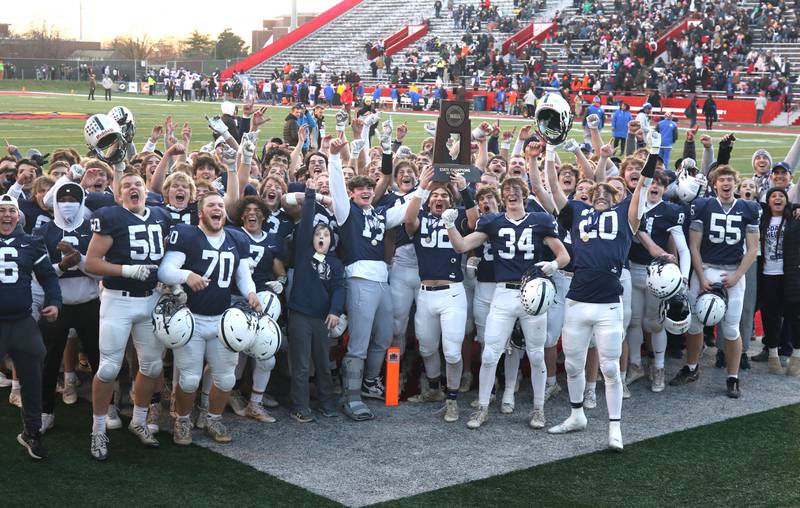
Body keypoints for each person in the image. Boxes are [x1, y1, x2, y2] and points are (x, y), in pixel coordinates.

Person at [544, 133, 649, 451]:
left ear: (615, 197)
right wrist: (550, 150)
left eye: (607, 191)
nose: (601, 194)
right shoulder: (578, 210)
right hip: (576, 300)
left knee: (610, 368)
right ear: (591, 196)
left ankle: (615, 427)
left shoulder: (624, 217)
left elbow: (638, 198)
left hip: (608, 304)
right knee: (573, 365)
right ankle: (577, 415)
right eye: (597, 191)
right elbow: (552, 189)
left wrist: (647, 166)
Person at [446, 177, 570, 430]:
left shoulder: (540, 220)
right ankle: (482, 407)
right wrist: (449, 225)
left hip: (532, 293)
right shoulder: (492, 222)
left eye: (516, 190)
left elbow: (564, 255)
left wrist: (553, 265)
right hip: (502, 294)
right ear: (503, 197)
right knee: (491, 353)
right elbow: (461, 246)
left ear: (524, 194)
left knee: (536, 355)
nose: (511, 194)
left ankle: (539, 409)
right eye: (507, 191)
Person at [158, 192, 261, 445]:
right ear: (200, 213)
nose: (218, 209)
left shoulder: (236, 238)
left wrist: (251, 292)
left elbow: (243, 274)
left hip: (222, 319)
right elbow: (165, 270)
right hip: (191, 318)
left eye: (221, 205)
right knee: (190, 378)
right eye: (211, 205)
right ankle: (182, 420)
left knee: (226, 377)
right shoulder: (187, 234)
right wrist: (186, 275)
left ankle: (213, 418)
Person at [85, 172, 172, 461]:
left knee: (151, 365)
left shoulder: (161, 216)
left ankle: (139, 419)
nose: (133, 188)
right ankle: (98, 429)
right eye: (127, 186)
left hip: (151, 299)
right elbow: (92, 262)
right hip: (118, 301)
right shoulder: (112, 217)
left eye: (138, 185)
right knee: (109, 368)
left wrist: (174, 281)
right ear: (118, 195)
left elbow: (171, 258)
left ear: (146, 191)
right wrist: (125, 270)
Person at [328, 137, 410, 421]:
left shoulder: (377, 213)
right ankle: (350, 397)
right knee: (359, 342)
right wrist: (335, 158)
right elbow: (336, 188)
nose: (365, 190)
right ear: (351, 193)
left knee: (385, 336)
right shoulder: (345, 211)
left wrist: (425, 185)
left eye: (368, 187)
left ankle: (369, 382)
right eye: (360, 188)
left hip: (381, 280)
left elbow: (404, 209)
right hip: (360, 278)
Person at [671, 165, 760, 398]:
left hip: (733, 273)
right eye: (722, 180)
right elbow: (694, 246)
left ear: (736, 183)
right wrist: (700, 277)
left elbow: (753, 249)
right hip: (707, 269)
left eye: (730, 179)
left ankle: (733, 377)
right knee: (695, 324)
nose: (726, 183)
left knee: (731, 328)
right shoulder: (703, 206)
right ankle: (691, 367)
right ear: (715, 184)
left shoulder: (748, 208)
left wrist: (737, 276)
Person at [403, 166, 478, 422]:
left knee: (453, 352)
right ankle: (434, 390)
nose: (439, 199)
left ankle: (453, 399)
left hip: (452, 293)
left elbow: (474, 221)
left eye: (444, 195)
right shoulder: (421, 219)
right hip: (425, 294)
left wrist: (465, 190)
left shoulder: (456, 218)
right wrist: (422, 188)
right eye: (435, 195)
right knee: (426, 348)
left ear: (451, 200)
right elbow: (408, 220)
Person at [35, 182, 100, 435]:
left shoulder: (92, 229)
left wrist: (79, 260)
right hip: (57, 304)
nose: (69, 203)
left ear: (82, 201)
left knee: (97, 357)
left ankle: (107, 407)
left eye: (74, 198)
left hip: (89, 303)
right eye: (63, 199)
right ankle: (45, 411)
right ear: (55, 203)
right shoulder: (45, 232)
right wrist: (61, 266)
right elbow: (38, 274)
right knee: (50, 360)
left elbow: (99, 269)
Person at [0, 194, 61, 460]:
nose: (6, 216)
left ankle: (31, 431)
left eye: (11, 211)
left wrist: (55, 303)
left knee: (33, 378)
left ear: (19, 216)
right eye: (1, 211)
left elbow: (48, 277)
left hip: (22, 321)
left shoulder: (31, 243)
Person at [287, 188, 346, 421]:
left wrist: (335, 311)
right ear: (311, 238)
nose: (322, 237)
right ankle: (299, 406)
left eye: (326, 235)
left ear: (332, 240)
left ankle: (327, 402)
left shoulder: (335, 263)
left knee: (323, 363)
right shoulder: (303, 253)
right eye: (317, 234)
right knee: (301, 364)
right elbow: (307, 222)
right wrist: (311, 196)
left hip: (322, 318)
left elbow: (339, 288)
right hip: (300, 316)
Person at [757, 188, 799, 374]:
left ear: (786, 201)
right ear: (768, 201)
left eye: (781, 196)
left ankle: (796, 355)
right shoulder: (761, 220)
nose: (777, 198)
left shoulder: (794, 220)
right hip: (768, 275)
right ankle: (773, 354)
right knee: (770, 316)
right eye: (773, 196)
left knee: (794, 316)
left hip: (789, 275)